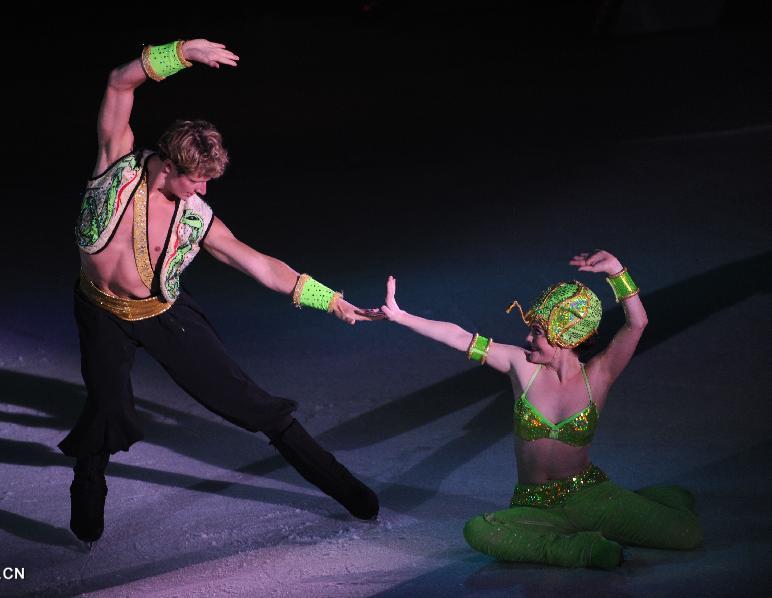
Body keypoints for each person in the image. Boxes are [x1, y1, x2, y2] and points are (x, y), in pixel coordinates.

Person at [60, 37, 379, 544]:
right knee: (105, 403)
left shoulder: (194, 217)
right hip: (98, 309)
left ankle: (343, 485)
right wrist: (183, 52)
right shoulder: (115, 165)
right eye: (196, 180)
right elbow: (120, 82)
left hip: (163, 314)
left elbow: (257, 263)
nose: (204, 191)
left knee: (243, 400)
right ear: (167, 165)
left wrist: (329, 299)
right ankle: (88, 478)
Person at [372, 250, 702, 569]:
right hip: (534, 505)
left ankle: (639, 508)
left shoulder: (598, 376)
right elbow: (461, 338)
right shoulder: (521, 366)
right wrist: (401, 316)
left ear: (566, 337)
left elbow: (638, 324)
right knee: (479, 531)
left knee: (688, 535)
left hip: (591, 497)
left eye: (538, 332)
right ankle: (581, 550)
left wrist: (617, 272)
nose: (528, 338)